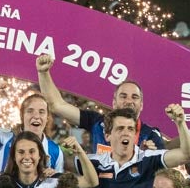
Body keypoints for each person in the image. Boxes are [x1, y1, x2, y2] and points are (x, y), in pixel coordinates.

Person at [37, 54, 165, 154]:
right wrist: (43, 73)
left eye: (135, 97)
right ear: (114, 102)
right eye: (123, 96)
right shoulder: (97, 123)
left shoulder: (151, 135)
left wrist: (150, 158)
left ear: (141, 105)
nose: (129, 101)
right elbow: (57, 105)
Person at [0, 77, 65, 172]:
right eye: (30, 111)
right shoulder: (6, 137)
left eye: (41, 112)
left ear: (47, 118)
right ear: (22, 116)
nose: (36, 116)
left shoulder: (55, 151)